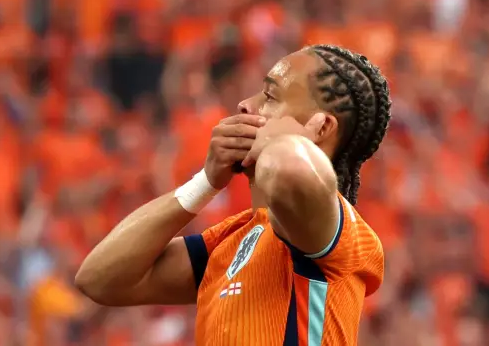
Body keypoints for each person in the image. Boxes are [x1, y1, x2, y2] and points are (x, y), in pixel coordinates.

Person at [76, 44, 391, 345]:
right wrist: (205, 182)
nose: (245, 105)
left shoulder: (339, 231)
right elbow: (100, 278)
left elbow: (288, 173)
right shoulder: (230, 240)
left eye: (269, 96)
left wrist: (292, 142)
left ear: (321, 128)